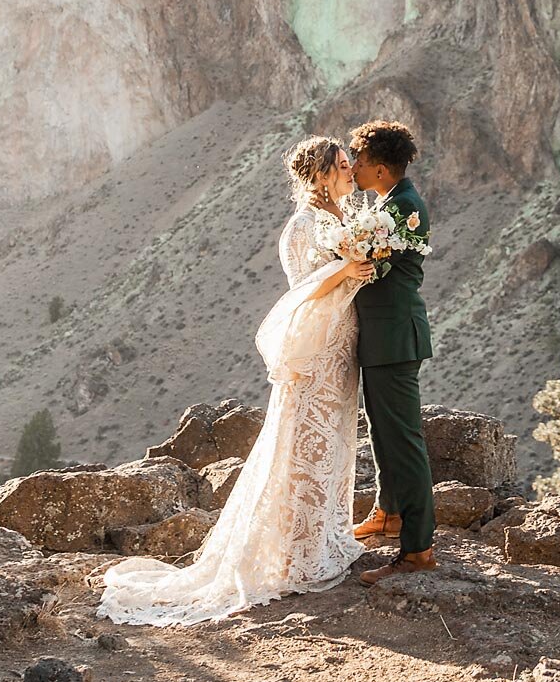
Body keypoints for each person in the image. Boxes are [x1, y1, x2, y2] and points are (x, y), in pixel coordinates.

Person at [94, 136, 375, 624]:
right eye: (344, 165)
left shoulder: (346, 220)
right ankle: (293, 556)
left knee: (332, 443)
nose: (352, 171)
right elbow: (301, 288)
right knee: (299, 445)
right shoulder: (303, 226)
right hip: (313, 351)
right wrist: (346, 269)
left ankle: (324, 537)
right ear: (322, 173)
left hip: (341, 346)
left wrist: (359, 268)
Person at [346, 119, 440, 583]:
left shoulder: (401, 208)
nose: (352, 167)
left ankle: (418, 548)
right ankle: (389, 512)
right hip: (380, 337)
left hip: (396, 337)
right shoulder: (389, 203)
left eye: (359, 161)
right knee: (382, 430)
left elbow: (372, 269)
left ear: (381, 169)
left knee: (404, 442)